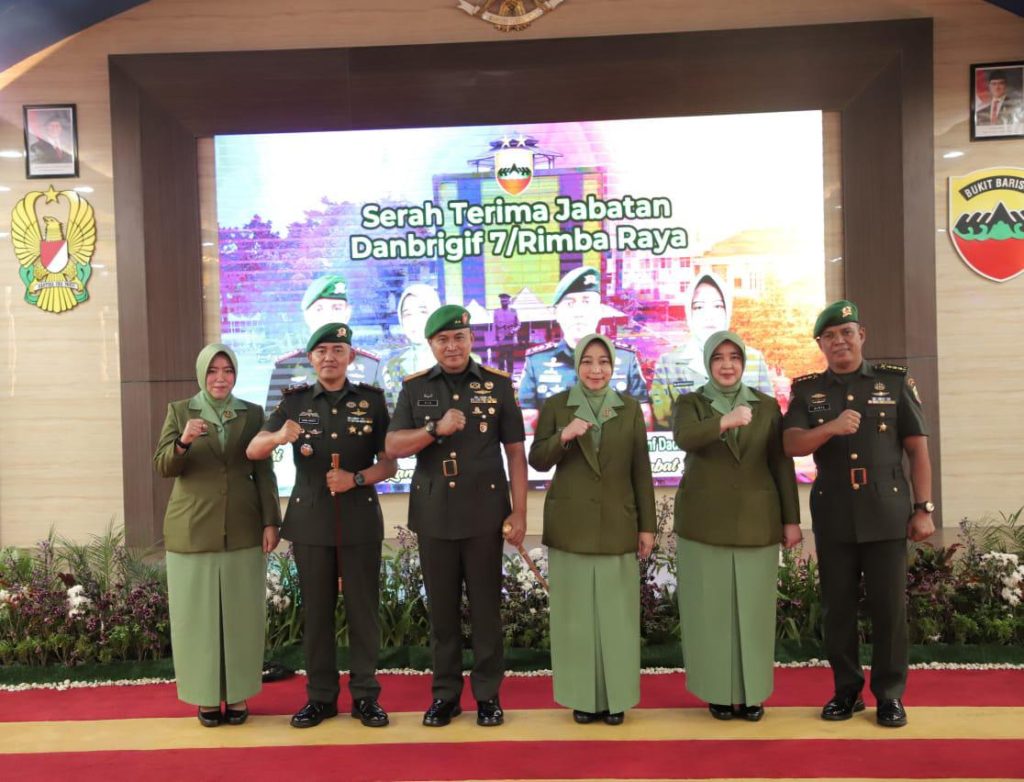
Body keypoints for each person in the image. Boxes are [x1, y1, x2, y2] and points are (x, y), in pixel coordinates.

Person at [783, 300, 934, 728]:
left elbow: (917, 450)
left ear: (861, 335)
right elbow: (791, 443)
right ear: (821, 344)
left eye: (846, 333)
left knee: (889, 610)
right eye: (830, 336)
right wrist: (830, 427)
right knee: (838, 610)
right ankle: (846, 692)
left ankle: (889, 695)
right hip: (834, 514)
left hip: (886, 512)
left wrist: (923, 508)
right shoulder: (807, 390)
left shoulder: (895, 382)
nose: (839, 342)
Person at [246, 322, 397, 729]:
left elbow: (389, 464)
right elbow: (253, 449)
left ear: (351, 356)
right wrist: (278, 436)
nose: (329, 357)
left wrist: (356, 478)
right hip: (311, 521)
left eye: (338, 350)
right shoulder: (293, 401)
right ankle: (321, 698)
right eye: (322, 351)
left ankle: (365, 697)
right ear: (310, 358)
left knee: (363, 613)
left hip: (360, 519)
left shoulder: (372, 401)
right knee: (316, 615)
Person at [385, 305, 528, 728]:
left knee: (486, 612)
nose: (452, 346)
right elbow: (393, 446)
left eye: (459, 338)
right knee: (443, 614)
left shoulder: (497, 385)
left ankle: (487, 696)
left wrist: (520, 511)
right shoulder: (414, 388)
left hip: (484, 514)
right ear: (431, 344)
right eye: (443, 340)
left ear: (470, 339)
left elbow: (515, 454)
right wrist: (435, 429)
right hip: (435, 515)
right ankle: (445, 696)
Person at [672, 331, 801, 721]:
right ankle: (718, 692)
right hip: (703, 524)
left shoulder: (766, 406)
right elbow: (684, 437)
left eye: (734, 357)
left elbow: (780, 464)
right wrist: (725, 421)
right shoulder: (691, 403)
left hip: (756, 523)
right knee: (710, 612)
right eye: (718, 358)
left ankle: (753, 693)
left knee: (754, 612)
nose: (727, 365)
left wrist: (791, 520)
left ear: (743, 362)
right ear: (708, 363)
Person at [528, 333, 656, 725]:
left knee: (617, 619)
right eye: (587, 361)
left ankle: (617, 698)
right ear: (577, 365)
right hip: (572, 527)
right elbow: (537, 459)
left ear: (613, 365)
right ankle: (581, 697)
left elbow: (640, 469)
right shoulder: (556, 406)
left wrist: (647, 526)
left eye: (603, 362)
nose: (595, 370)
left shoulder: (629, 407)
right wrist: (563, 436)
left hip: (618, 524)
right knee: (576, 619)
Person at [153, 343, 281, 727]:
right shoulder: (180, 411)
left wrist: (271, 521)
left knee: (242, 616)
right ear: (201, 374)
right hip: (192, 530)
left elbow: (264, 472)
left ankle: (238, 694)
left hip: (243, 527)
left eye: (227, 370)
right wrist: (183, 441)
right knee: (197, 620)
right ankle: (205, 697)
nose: (220, 378)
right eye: (213, 371)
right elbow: (163, 466)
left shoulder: (252, 414)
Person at [518, 266, 651, 433]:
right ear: (556, 313)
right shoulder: (536, 362)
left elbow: (643, 419)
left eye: (587, 302)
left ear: (600, 311)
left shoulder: (626, 359)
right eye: (569, 304)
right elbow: (528, 423)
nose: (578, 313)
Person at [650, 272, 775, 430]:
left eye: (717, 306)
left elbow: (769, 417)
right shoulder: (669, 363)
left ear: (728, 310)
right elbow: (661, 421)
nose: (708, 316)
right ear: (689, 312)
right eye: (699, 307)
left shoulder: (753, 359)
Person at [265, 275, 382, 412]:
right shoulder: (286, 367)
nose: (328, 316)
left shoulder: (371, 366)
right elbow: (271, 422)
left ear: (348, 313)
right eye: (319, 309)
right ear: (306, 315)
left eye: (336, 308)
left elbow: (388, 422)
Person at [380, 283, 443, 410]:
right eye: (407, 314)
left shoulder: (457, 361)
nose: (414, 320)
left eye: (422, 311)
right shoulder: (392, 366)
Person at [492, 292, 521, 374]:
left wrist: (514, 330)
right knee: (501, 359)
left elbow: (518, 324)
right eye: (502, 301)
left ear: (508, 301)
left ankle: (510, 375)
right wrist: (495, 340)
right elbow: (494, 326)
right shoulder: (496, 312)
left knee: (510, 359)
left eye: (505, 301)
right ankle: (501, 375)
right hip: (500, 339)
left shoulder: (513, 311)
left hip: (510, 339)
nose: (503, 302)